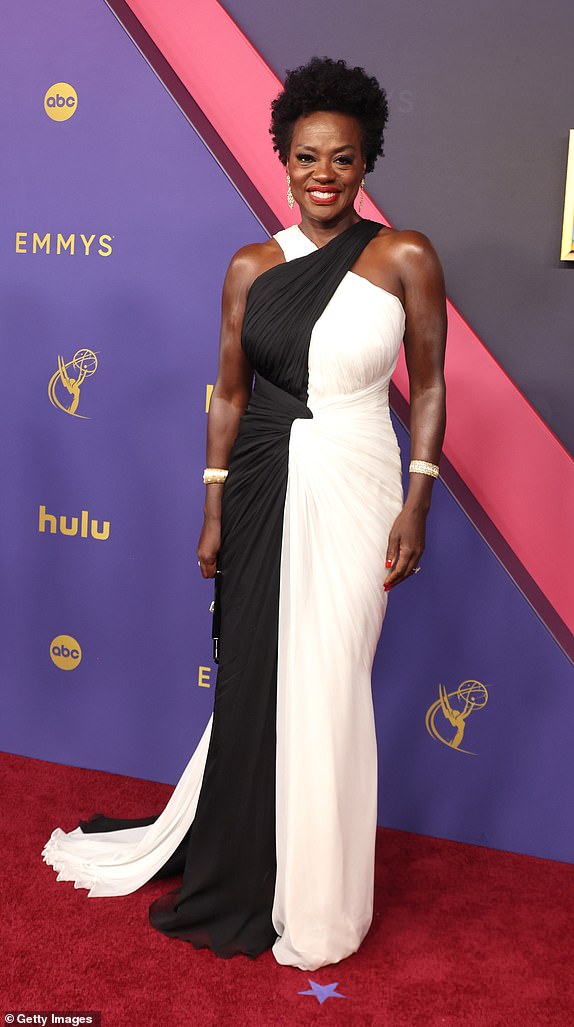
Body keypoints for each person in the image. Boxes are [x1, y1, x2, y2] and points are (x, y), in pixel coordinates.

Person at [41, 56, 447, 971]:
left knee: (334, 679)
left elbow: (428, 387)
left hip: (361, 478)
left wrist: (419, 498)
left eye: (342, 159)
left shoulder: (405, 255)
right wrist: (214, 505)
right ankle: (254, 868)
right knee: (263, 678)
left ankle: (323, 897)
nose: (323, 176)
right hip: (263, 479)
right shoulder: (253, 265)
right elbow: (227, 394)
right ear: (283, 160)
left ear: (366, 162)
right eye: (307, 157)